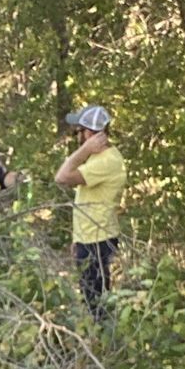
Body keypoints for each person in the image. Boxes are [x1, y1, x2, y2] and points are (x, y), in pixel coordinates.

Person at [54, 104, 127, 317]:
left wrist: (84, 149)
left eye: (79, 131)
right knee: (90, 298)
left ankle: (104, 345)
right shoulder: (97, 159)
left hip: (98, 240)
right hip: (89, 238)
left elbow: (61, 177)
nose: (77, 136)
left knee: (96, 304)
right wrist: (77, 240)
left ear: (89, 133)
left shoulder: (106, 161)